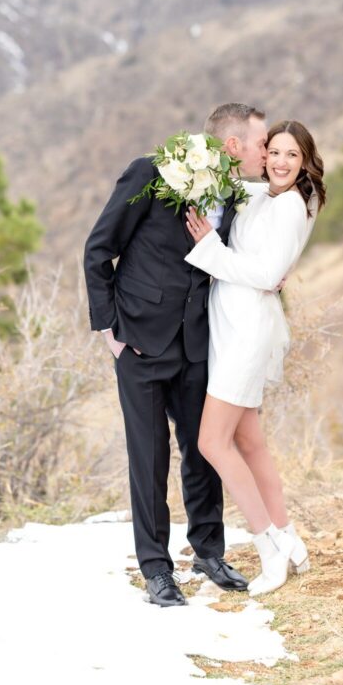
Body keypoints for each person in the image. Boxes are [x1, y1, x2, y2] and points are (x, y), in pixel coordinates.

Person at [83, 103, 268, 606]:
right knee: (149, 458)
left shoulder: (235, 191)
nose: (266, 151)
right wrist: (109, 330)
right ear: (233, 146)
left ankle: (209, 552)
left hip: (198, 341)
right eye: (260, 142)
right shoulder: (152, 171)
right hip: (139, 340)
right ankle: (157, 570)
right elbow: (99, 248)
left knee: (204, 450)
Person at [184, 120, 327, 595]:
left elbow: (267, 274)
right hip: (229, 323)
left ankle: (268, 549)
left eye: (292, 155)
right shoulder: (263, 193)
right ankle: (288, 538)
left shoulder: (289, 206)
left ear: (305, 161)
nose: (282, 162)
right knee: (250, 442)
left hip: (246, 332)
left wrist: (208, 248)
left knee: (212, 442)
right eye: (274, 152)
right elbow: (232, 182)